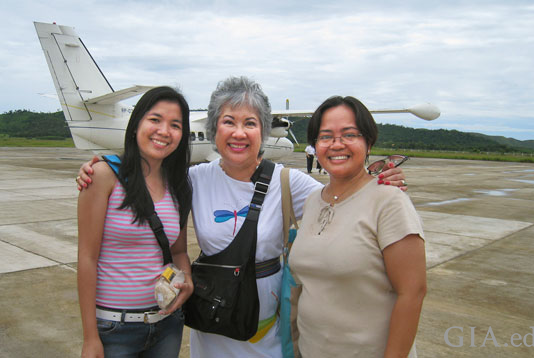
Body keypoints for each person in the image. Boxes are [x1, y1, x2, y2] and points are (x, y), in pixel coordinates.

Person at [77, 78, 408, 357]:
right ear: (214, 129)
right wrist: (100, 168)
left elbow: (344, 198)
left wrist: (377, 182)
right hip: (212, 327)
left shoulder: (288, 182)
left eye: (250, 123)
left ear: (263, 131)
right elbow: (148, 180)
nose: (239, 133)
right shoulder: (193, 179)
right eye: (228, 122)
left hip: (266, 331)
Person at [289, 95, 427, 358]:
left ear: (369, 142)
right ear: (315, 146)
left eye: (349, 134)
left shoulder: (390, 201)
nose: (336, 144)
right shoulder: (312, 201)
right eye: (325, 136)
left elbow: (412, 292)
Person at [76, 86, 194, 358]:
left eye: (175, 125)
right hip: (114, 328)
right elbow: (86, 259)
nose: (164, 131)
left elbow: (178, 251)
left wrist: (186, 277)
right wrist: (90, 337)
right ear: (136, 123)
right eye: (155, 120)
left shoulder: (179, 185)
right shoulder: (102, 176)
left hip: (166, 324)